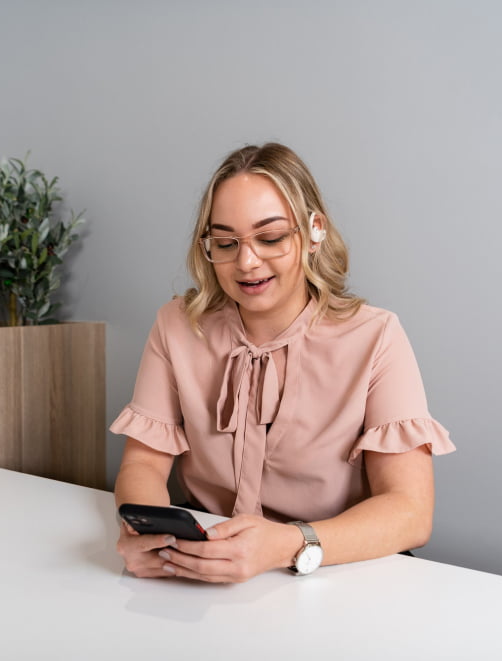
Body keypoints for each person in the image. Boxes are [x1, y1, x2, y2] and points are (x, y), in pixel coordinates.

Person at [111, 142, 455, 583]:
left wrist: (287, 545)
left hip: (338, 572)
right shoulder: (176, 325)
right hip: (206, 568)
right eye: (225, 242)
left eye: (270, 237)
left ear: (315, 231)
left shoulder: (377, 336)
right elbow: (143, 466)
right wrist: (150, 538)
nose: (246, 262)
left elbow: (410, 512)